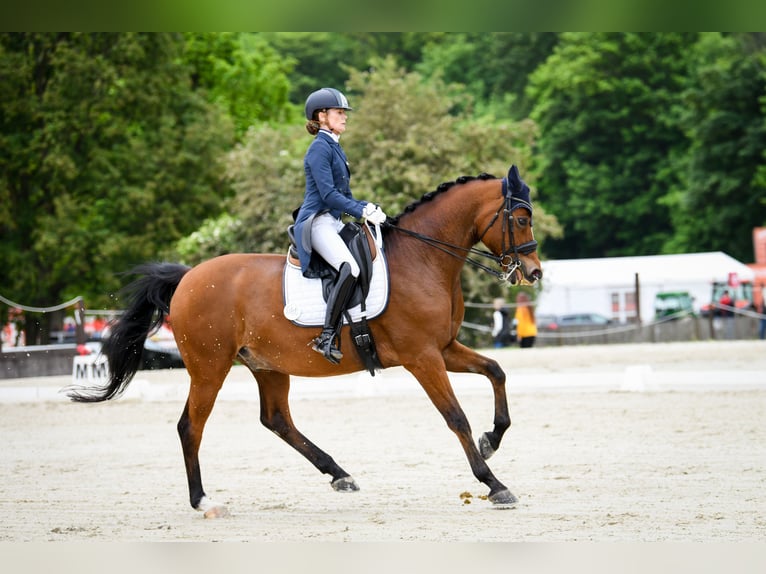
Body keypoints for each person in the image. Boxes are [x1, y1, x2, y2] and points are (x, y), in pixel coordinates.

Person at [293, 87, 387, 364]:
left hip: (334, 220)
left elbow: (343, 195)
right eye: (339, 112)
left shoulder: (333, 145)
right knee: (350, 267)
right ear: (322, 116)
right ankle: (326, 335)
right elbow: (328, 195)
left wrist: (368, 207)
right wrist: (361, 210)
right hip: (318, 220)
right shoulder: (319, 149)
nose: (344, 117)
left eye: (344, 113)